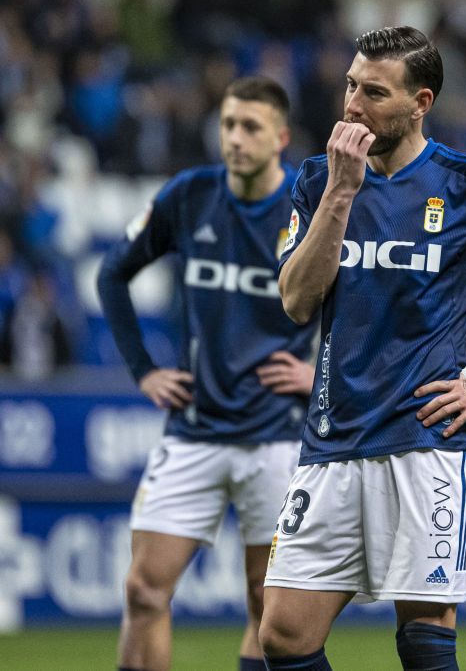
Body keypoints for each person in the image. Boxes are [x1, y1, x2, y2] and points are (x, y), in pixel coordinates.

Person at [259, 26, 466, 671]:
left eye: (374, 93)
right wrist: (341, 191)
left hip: (425, 443)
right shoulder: (315, 181)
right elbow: (297, 300)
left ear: (421, 102)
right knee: (284, 636)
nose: (353, 105)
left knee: (424, 642)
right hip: (331, 441)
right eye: (351, 86)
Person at [97, 76, 317, 671]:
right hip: (193, 429)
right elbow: (112, 274)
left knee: (263, 609)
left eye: (250, 127)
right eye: (227, 124)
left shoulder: (309, 204)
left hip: (277, 435)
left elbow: (368, 299)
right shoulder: (189, 195)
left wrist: (320, 371)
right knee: (143, 590)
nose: (235, 138)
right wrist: (143, 369)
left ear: (281, 137)